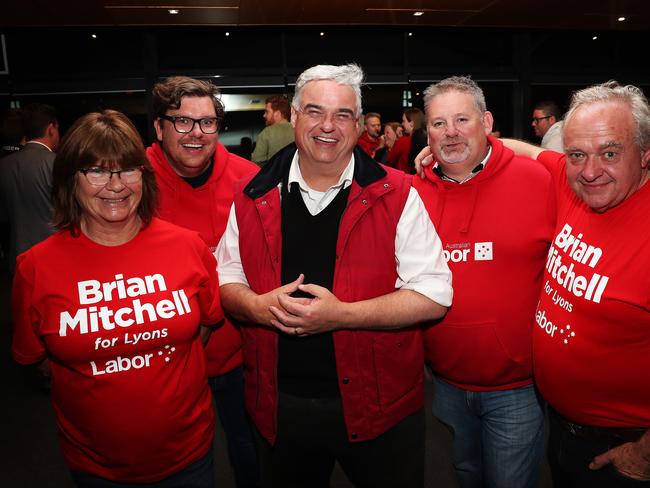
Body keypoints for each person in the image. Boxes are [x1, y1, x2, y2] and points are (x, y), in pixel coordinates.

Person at [215, 63, 453, 488]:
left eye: (343, 114)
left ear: (358, 124)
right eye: (314, 111)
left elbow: (434, 293)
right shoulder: (252, 195)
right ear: (293, 117)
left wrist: (342, 315)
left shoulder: (398, 194)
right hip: (279, 408)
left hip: (380, 408)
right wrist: (255, 306)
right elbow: (225, 277)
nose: (328, 126)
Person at [11, 110, 222, 487]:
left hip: (189, 456)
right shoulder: (35, 267)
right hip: (96, 467)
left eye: (127, 169)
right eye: (95, 171)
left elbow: (203, 327)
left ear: (144, 175)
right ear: (69, 180)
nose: (115, 185)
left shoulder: (188, 247)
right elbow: (38, 360)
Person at [501, 81, 650, 487]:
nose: (589, 170)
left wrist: (645, 453)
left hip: (623, 450)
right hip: (563, 427)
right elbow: (529, 151)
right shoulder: (574, 187)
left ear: (645, 153)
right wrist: (459, 147)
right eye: (577, 154)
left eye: (610, 153)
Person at [412, 76, 555, 488]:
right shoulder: (412, 194)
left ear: (487, 122)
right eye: (438, 124)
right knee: (465, 473)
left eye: (462, 119)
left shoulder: (537, 181)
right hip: (446, 383)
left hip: (518, 388)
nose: (450, 132)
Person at [147, 75, 260, 488]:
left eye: (208, 123)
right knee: (167, 464)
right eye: (182, 122)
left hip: (237, 351)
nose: (196, 134)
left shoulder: (249, 179)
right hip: (162, 358)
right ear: (159, 127)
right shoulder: (131, 183)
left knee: (249, 448)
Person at [0, 103, 59, 274]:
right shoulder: (56, 163)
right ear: (51, 128)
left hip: (18, 256)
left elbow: (3, 215)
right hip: (53, 254)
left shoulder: (4, 165)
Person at [251, 95, 295, 165]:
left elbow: (257, 162)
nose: (264, 115)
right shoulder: (298, 130)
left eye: (267, 112)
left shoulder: (266, 133)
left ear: (277, 114)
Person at [388, 107, 424, 173]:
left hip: (404, 179)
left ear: (412, 124)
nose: (402, 124)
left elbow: (390, 161)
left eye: (404, 121)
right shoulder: (426, 139)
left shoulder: (403, 141)